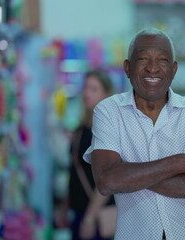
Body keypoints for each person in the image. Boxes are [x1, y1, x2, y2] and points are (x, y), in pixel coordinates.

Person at [83, 28, 185, 240]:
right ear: (127, 68)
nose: (153, 68)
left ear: (174, 69)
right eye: (143, 59)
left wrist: (128, 174)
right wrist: (183, 162)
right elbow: (107, 181)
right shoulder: (108, 111)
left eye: (163, 60)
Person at [68, 70, 116, 240]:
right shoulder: (83, 127)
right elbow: (75, 169)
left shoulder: (104, 130)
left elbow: (108, 179)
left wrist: (89, 218)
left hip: (94, 215)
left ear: (107, 95)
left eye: (93, 89)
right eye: (86, 88)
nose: (86, 93)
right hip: (79, 211)